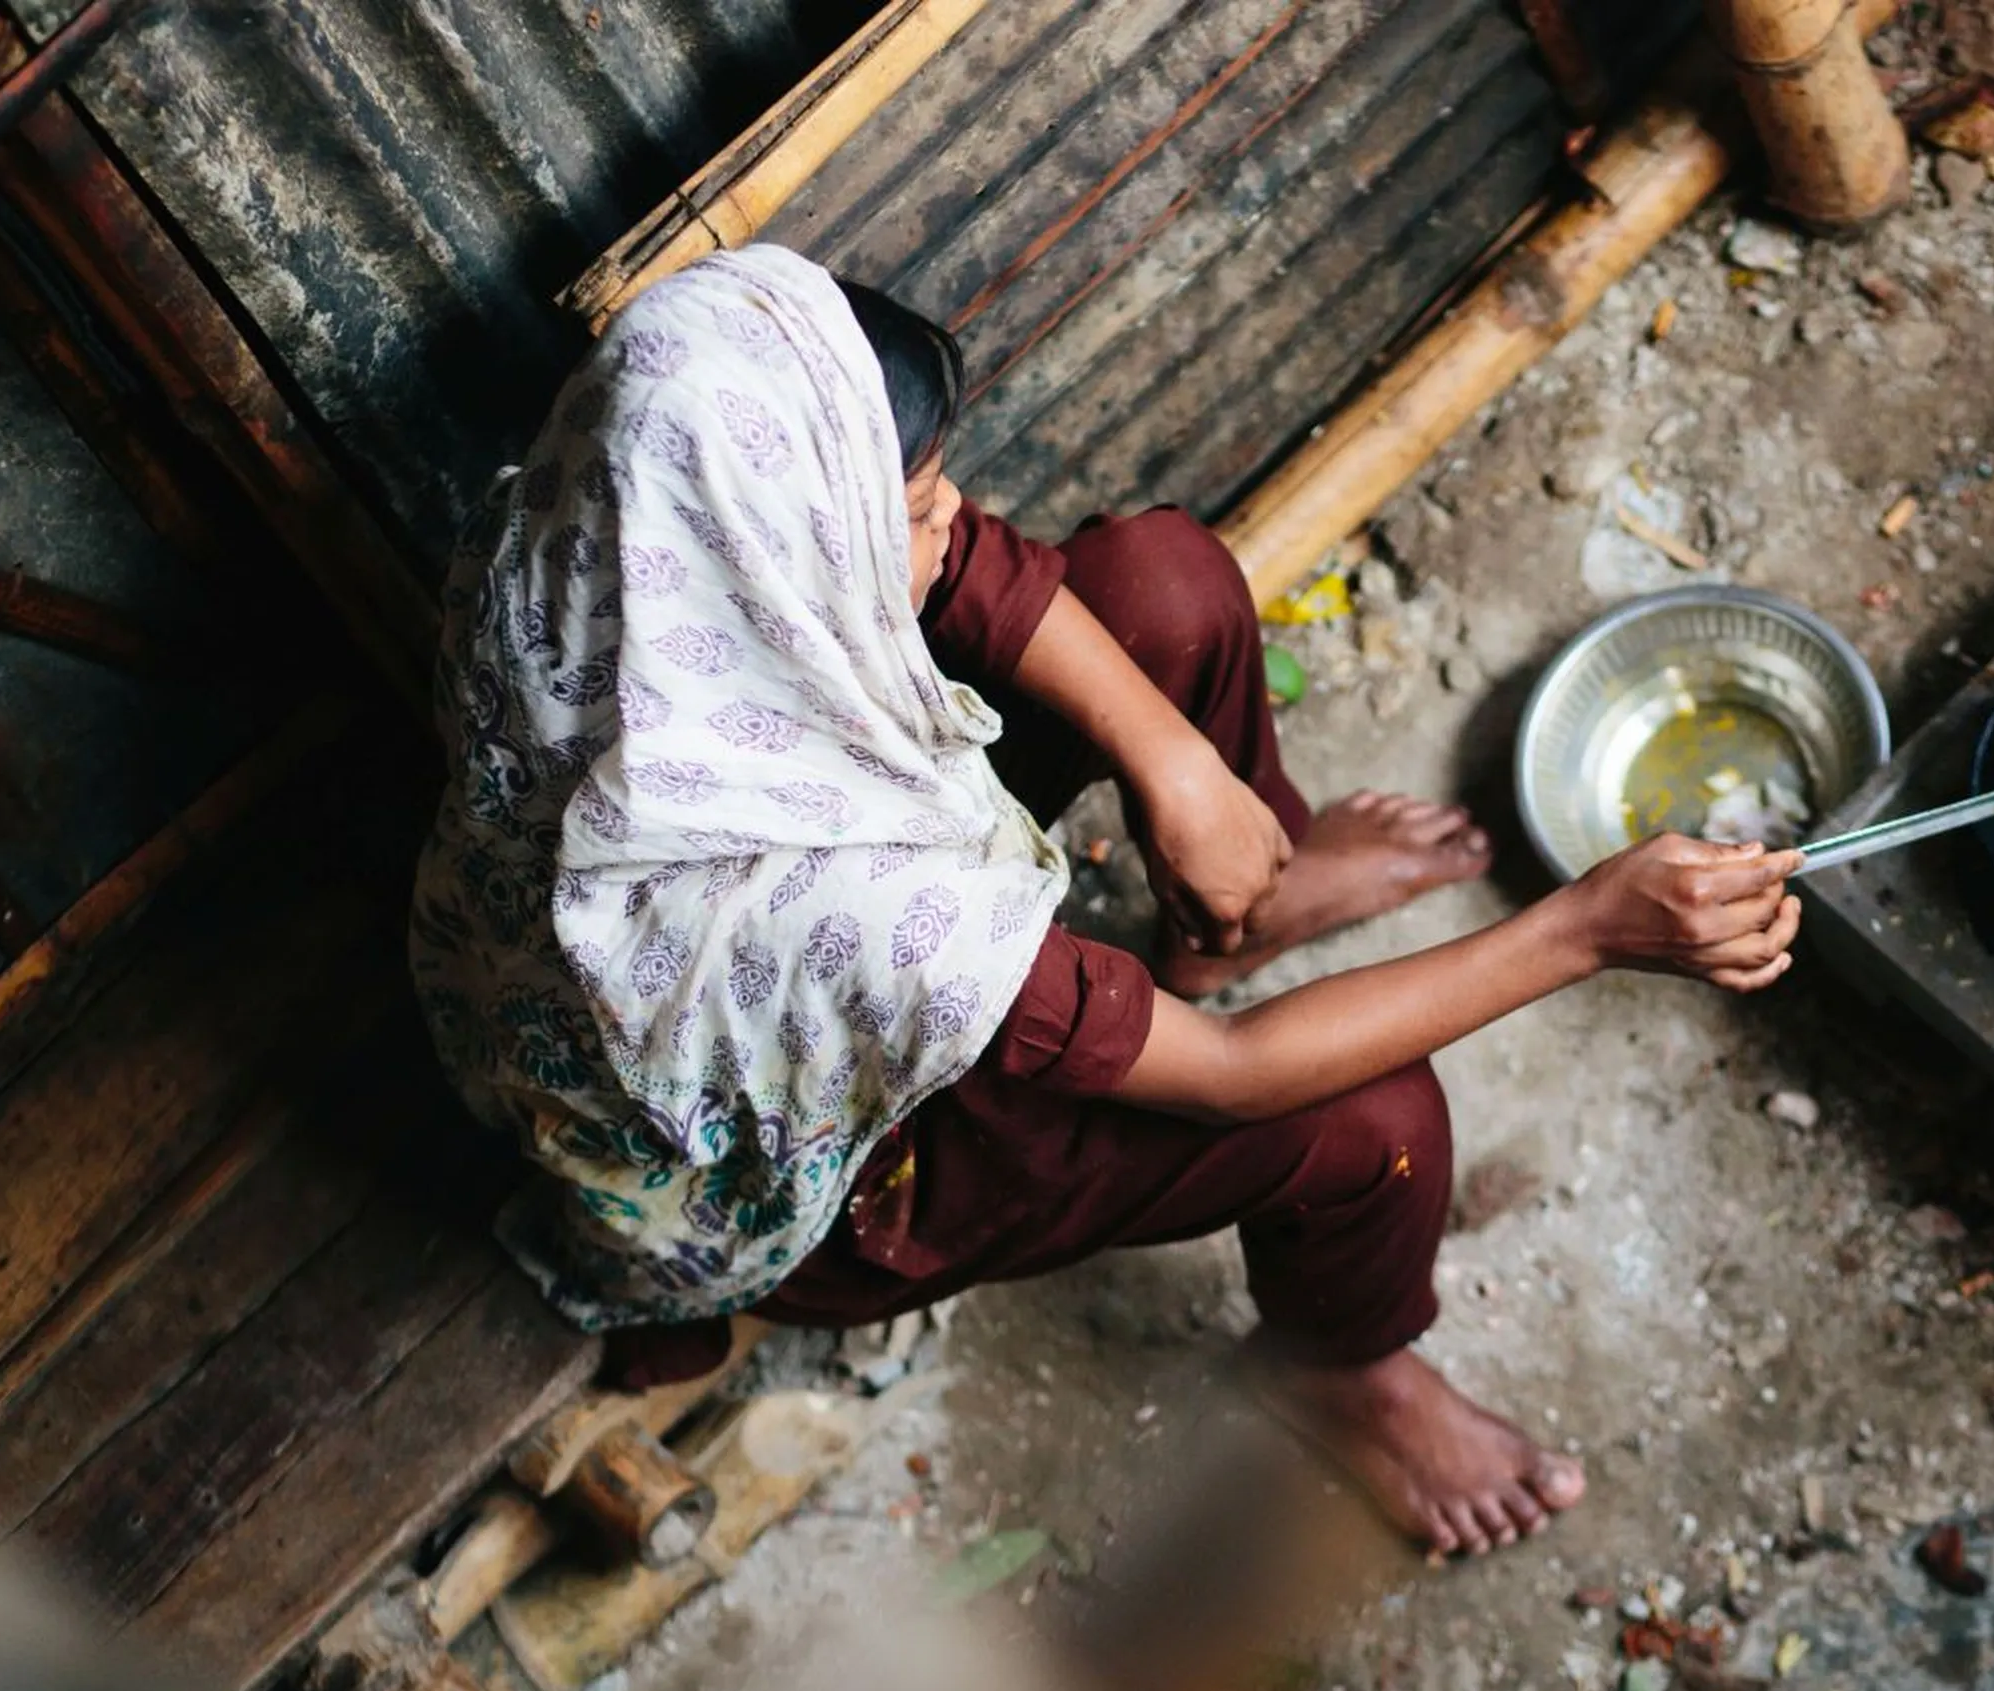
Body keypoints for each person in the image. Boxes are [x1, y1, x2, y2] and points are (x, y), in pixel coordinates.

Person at [411, 246, 1803, 1559]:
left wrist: (1179, 766)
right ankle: (1344, 1370)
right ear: (790, 556)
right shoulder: (860, 914)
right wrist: (1584, 929)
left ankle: (1234, 913)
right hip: (824, 1180)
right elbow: (1240, 1078)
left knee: (1166, 588)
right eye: (906, 512)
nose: (949, 518)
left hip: (718, 994)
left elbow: (972, 571)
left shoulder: (585, 536)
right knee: (1373, 1124)